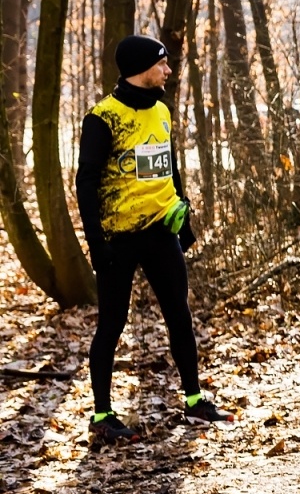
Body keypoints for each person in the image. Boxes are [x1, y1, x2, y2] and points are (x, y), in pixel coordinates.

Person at [76, 36, 234, 447]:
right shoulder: (102, 118)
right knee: (111, 325)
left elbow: (170, 165)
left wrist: (183, 220)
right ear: (142, 67)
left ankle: (195, 399)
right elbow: (86, 182)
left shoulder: (162, 111)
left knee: (179, 315)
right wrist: (96, 243)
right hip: (118, 237)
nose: (168, 71)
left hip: (161, 233)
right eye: (162, 64)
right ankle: (102, 415)